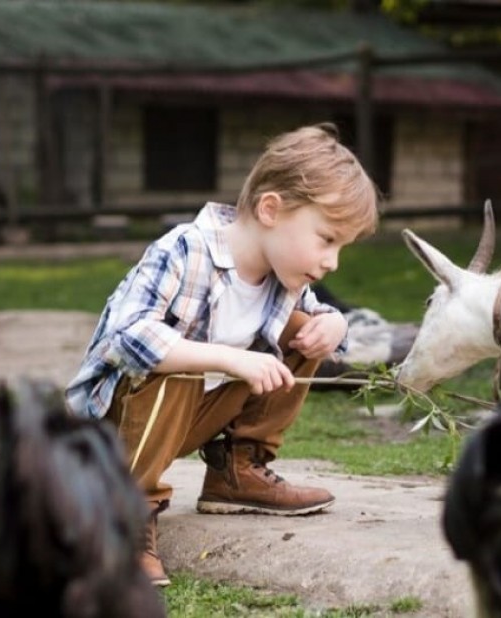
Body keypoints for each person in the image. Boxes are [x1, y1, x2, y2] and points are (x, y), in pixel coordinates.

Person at [65, 123, 379, 587]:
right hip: (111, 428)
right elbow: (126, 339)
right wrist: (228, 359)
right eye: (327, 239)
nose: (332, 261)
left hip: (184, 420)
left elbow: (321, 319)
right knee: (175, 361)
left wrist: (334, 324)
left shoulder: (283, 276)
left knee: (308, 330)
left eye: (341, 248)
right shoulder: (184, 250)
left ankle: (238, 470)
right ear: (271, 209)